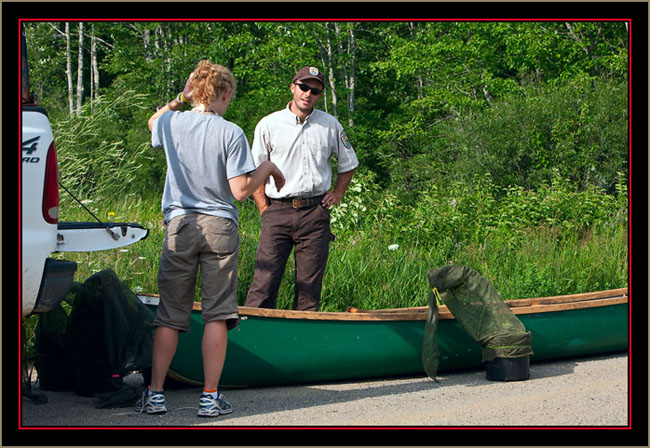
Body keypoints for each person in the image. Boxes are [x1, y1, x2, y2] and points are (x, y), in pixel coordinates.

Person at [137, 60, 284, 417]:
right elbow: (239, 191)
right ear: (225, 93)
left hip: (181, 224)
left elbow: (152, 122)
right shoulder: (230, 132)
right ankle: (209, 396)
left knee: (170, 316)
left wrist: (178, 99)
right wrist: (266, 168)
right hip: (219, 227)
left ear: (193, 92)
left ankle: (155, 395)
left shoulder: (172, 122)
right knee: (217, 314)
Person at [245, 66, 359, 311]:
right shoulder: (269, 124)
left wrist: (338, 193)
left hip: (315, 213)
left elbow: (349, 163)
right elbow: (254, 172)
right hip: (277, 211)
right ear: (293, 87)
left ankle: (302, 343)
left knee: (309, 287)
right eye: (304, 87)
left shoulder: (331, 125)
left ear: (319, 95)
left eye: (315, 90)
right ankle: (255, 336)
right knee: (264, 281)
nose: (308, 94)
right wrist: (264, 208)